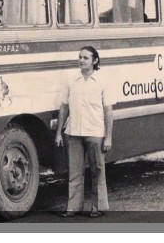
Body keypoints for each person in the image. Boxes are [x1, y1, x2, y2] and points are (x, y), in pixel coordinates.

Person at [55, 46, 115, 218]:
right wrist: (59, 132)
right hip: (73, 133)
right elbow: (64, 108)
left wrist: (108, 137)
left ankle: (97, 207)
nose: (81, 60)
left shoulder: (103, 81)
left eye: (85, 58)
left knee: (97, 170)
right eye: (80, 57)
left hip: (95, 133)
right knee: (74, 172)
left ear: (95, 61)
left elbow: (108, 111)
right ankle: (73, 208)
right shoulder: (71, 80)